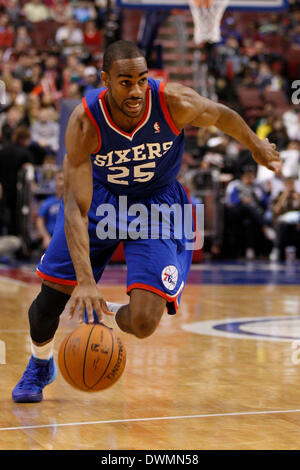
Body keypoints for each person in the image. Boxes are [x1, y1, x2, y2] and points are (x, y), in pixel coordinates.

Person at [12, 40, 281, 403]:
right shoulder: (85, 121)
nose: (136, 89)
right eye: (125, 82)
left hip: (157, 205)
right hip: (99, 201)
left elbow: (222, 115)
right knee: (47, 306)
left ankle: (110, 313)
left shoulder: (175, 102)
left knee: (143, 323)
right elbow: (75, 205)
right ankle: (40, 363)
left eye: (142, 79)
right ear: (105, 79)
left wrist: (255, 145)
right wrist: (87, 283)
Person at [36, 170, 64, 250]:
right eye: (60, 179)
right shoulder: (48, 202)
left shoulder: (72, 203)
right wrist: (45, 236)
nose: (62, 183)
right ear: (55, 181)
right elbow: (40, 221)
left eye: (65, 179)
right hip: (51, 237)